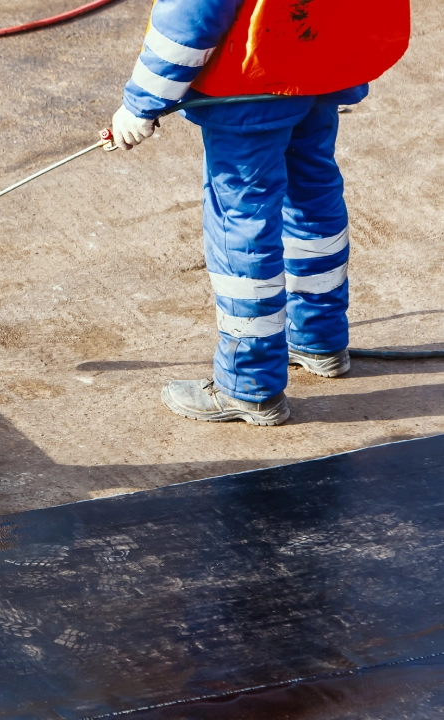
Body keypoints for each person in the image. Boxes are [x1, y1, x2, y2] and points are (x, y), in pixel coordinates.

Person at [110, 0, 410, 425]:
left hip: (248, 85)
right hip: (319, 65)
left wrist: (141, 103)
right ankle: (318, 338)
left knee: (243, 227)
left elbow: (193, 13)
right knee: (312, 198)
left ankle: (248, 385)